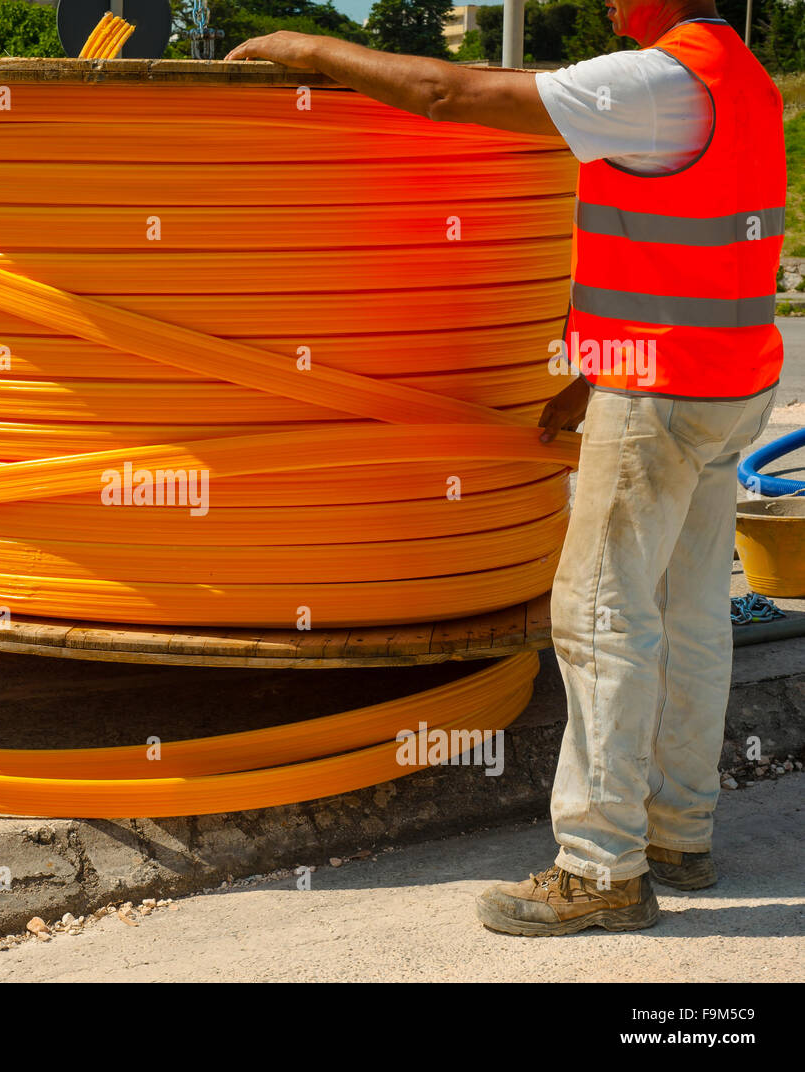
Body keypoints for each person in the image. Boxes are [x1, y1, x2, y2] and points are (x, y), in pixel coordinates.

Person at [226, 0, 785, 935]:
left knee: (602, 618)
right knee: (689, 619)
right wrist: (586, 372)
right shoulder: (745, 79)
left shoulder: (652, 81)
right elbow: (681, 239)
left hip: (662, 392)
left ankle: (601, 870)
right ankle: (679, 833)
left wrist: (308, 46)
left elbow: (449, 89)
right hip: (728, 385)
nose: (608, 3)